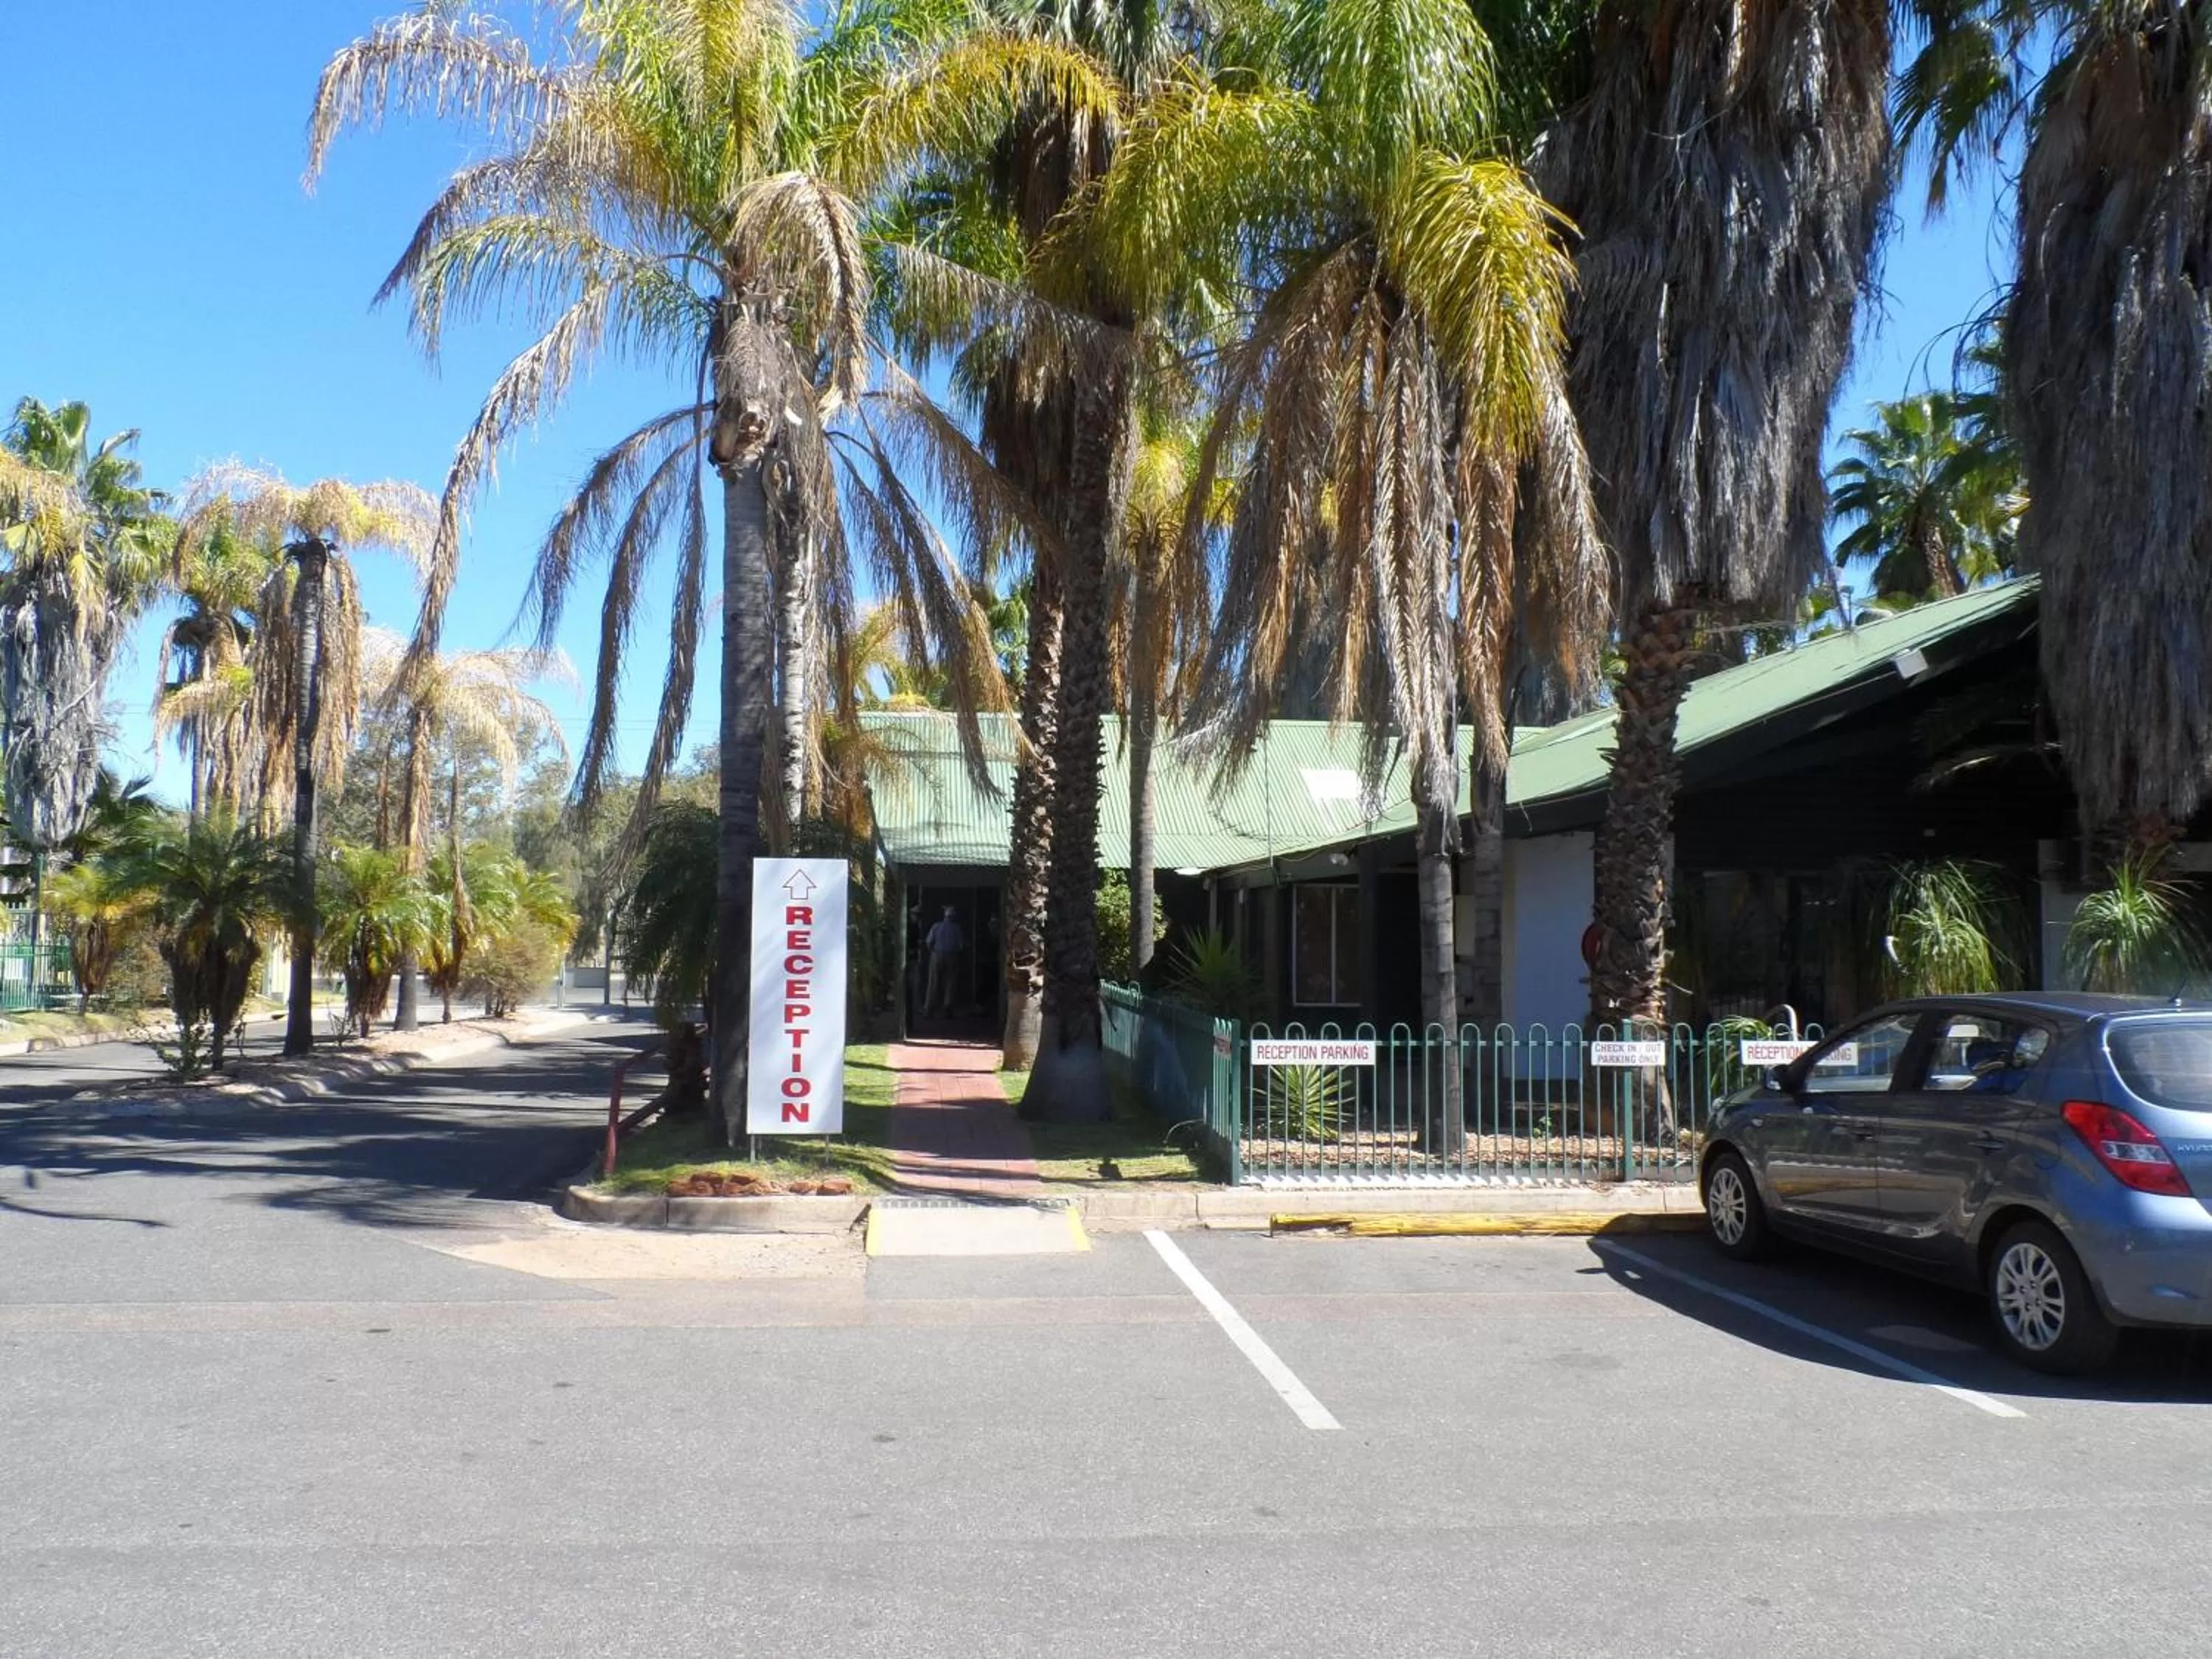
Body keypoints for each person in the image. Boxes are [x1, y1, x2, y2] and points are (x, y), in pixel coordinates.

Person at [924, 905, 965, 1019]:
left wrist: (933, 952)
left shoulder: (936, 926)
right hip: (952, 955)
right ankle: (948, 1006)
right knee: (950, 981)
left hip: (937, 954)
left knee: (933, 981)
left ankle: (929, 1008)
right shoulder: (957, 928)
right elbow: (961, 946)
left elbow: (928, 942)